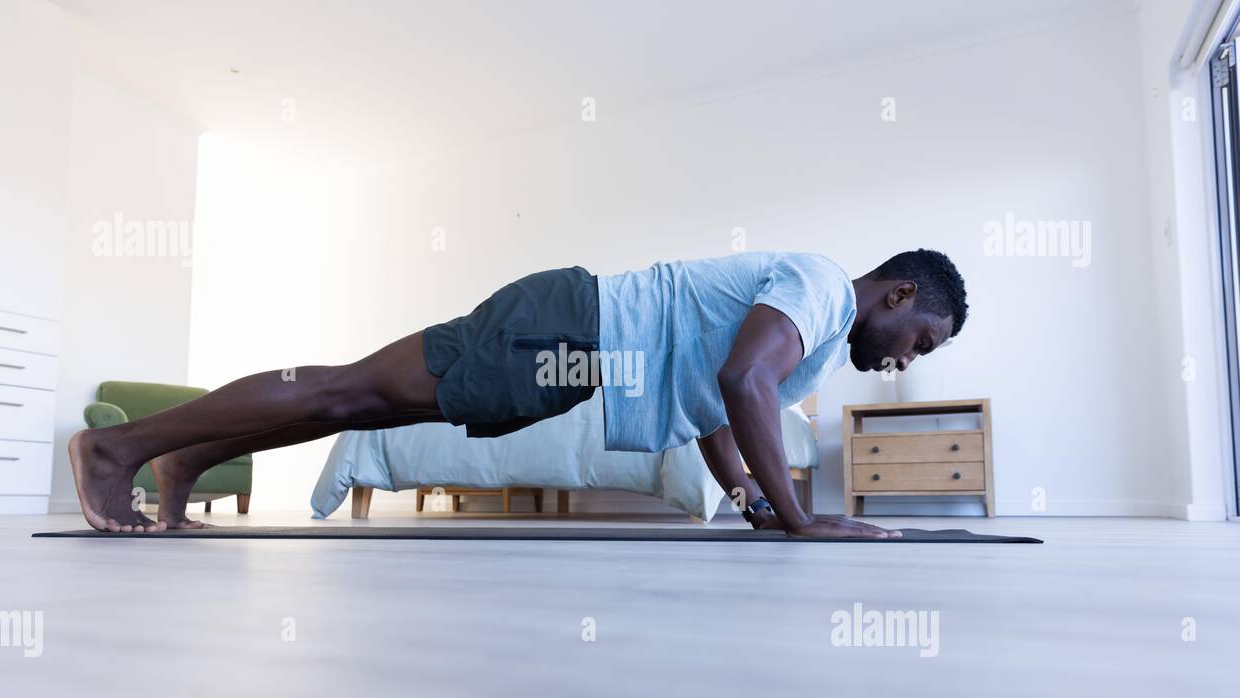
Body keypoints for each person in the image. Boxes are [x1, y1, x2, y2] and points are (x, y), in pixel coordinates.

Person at [68, 248, 967, 538]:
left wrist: (751, 503)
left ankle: (185, 454)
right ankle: (120, 447)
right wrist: (804, 521)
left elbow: (712, 408)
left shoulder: (804, 347)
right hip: (566, 329)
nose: (904, 359)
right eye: (917, 338)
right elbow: (742, 382)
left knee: (361, 403)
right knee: (348, 392)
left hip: (569, 356)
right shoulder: (815, 288)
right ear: (894, 297)